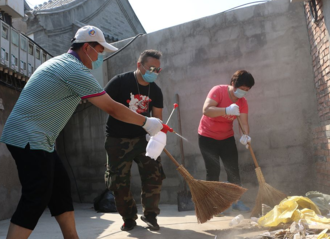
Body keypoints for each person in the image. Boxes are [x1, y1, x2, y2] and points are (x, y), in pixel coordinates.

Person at [0, 26, 163, 239]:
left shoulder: (60, 63)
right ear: (87, 48)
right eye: (99, 52)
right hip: (29, 137)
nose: (100, 58)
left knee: (60, 188)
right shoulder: (74, 70)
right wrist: (146, 122)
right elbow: (112, 107)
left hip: (41, 139)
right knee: (36, 196)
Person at [104, 50, 165, 231]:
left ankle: (151, 215)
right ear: (139, 65)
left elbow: (158, 119)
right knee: (118, 182)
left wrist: (159, 136)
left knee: (154, 176)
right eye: (151, 68)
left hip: (143, 138)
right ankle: (128, 218)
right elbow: (107, 106)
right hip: (117, 138)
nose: (154, 72)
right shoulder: (120, 82)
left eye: (158, 70)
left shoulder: (156, 91)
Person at [197, 70, 255, 213]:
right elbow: (207, 110)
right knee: (213, 170)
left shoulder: (243, 102)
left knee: (233, 169)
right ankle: (212, 205)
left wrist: (245, 136)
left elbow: (244, 123)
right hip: (207, 137)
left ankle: (236, 200)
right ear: (233, 84)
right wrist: (226, 110)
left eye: (247, 90)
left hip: (226, 137)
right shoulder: (218, 91)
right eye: (242, 89)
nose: (244, 93)